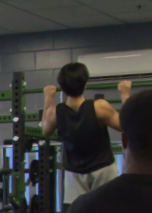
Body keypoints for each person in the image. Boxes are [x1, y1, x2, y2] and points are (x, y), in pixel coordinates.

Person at [41, 64, 133, 201]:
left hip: (75, 173)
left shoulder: (55, 112)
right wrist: (125, 95)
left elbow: (44, 130)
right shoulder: (100, 107)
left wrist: (48, 99)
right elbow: (127, 126)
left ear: (62, 86)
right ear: (85, 84)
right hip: (102, 169)